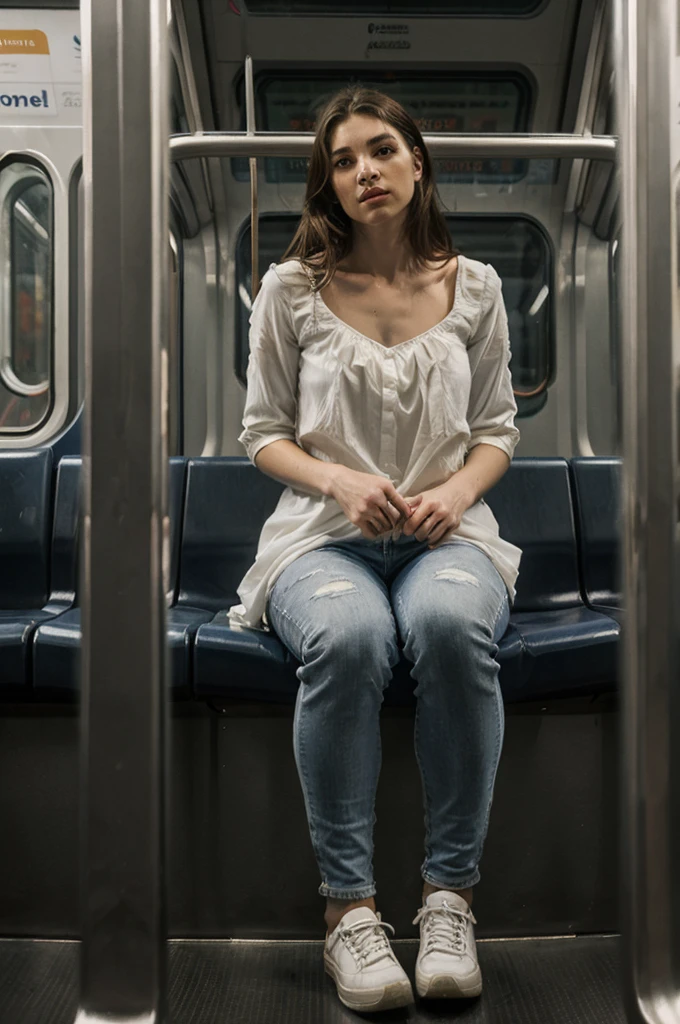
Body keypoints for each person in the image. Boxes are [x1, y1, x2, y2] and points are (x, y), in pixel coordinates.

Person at [227, 86, 522, 1013]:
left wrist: (454, 492)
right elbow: (263, 432)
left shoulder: (474, 287)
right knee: (350, 639)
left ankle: (449, 899)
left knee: (444, 621)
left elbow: (497, 430)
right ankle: (349, 914)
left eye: (382, 149)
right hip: (322, 539)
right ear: (330, 185)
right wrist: (340, 482)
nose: (366, 170)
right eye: (345, 160)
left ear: (417, 161)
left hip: (450, 536)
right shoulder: (291, 291)